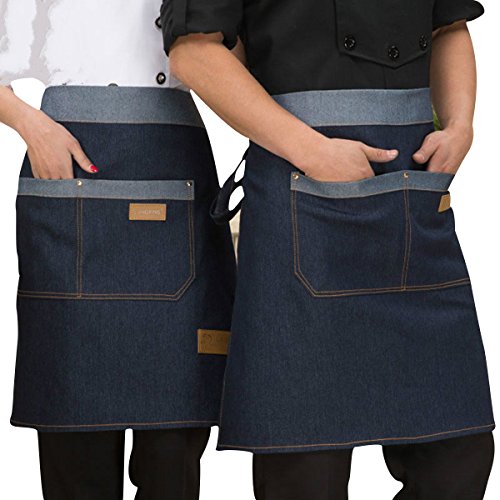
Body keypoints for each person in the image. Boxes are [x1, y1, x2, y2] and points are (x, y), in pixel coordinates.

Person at [160, 0, 495, 498]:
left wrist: (460, 126)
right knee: (305, 466)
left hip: (411, 200)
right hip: (302, 195)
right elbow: (193, 52)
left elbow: (449, 27)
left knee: (458, 452)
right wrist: (312, 150)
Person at [0, 1, 236, 498]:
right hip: (69, 163)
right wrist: (32, 126)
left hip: (176, 168)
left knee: (175, 443)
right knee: (73, 434)